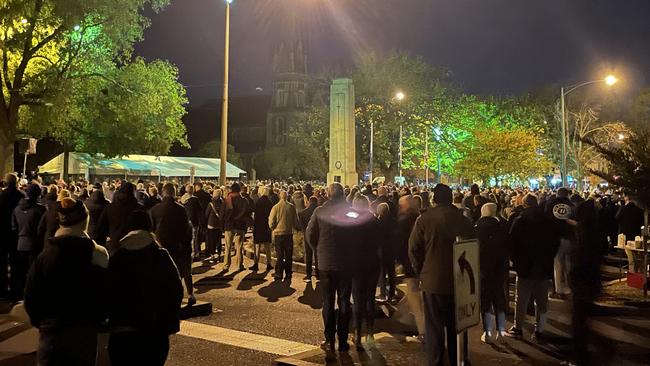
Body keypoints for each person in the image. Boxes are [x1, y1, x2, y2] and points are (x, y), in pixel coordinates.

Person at [24, 198, 109, 366]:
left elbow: (31, 295)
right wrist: (99, 320)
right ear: (85, 221)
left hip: (51, 330)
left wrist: (41, 322)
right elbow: (104, 292)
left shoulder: (45, 256)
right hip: (83, 330)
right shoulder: (98, 254)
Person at [408, 183, 474, 366]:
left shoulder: (425, 220)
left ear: (434, 199)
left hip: (433, 281)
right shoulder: (463, 220)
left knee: (434, 328)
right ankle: (458, 358)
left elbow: (413, 249)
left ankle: (436, 361)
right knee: (458, 326)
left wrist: (421, 270)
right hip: (460, 281)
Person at [107, 210, 183, 366]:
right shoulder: (160, 256)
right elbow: (176, 290)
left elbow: (107, 291)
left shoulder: (118, 257)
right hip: (154, 331)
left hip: (122, 331)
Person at [306, 183, 356, 352]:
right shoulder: (350, 212)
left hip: (326, 263)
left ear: (328, 195)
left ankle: (329, 339)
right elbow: (358, 236)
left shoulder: (320, 211)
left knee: (328, 301)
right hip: (347, 263)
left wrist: (318, 250)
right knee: (344, 301)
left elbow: (310, 235)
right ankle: (342, 340)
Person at [508, 194, 559, 342]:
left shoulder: (520, 221)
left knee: (521, 299)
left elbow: (513, 243)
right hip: (543, 266)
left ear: (524, 205)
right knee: (542, 301)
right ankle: (539, 330)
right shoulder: (548, 221)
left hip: (525, 267)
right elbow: (555, 243)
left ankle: (518, 328)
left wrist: (516, 261)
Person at [150, 183, 196, 306]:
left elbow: (151, 229)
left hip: (161, 245)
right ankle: (187, 295)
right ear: (174, 193)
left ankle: (163, 296)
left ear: (163, 193)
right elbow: (186, 228)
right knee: (181, 272)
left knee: (162, 273)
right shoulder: (181, 209)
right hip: (178, 246)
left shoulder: (155, 210)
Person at [475, 202, 509, 343]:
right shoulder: (503, 226)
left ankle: (487, 331)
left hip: (483, 269)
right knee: (499, 299)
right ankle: (501, 330)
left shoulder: (477, 228)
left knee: (486, 301)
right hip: (500, 268)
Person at [350, 195, 381, 351]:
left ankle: (357, 333)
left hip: (356, 264)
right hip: (372, 263)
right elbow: (380, 242)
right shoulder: (375, 221)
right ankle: (369, 332)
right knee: (370, 298)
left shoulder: (352, 222)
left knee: (358, 298)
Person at [11, 183, 46, 300]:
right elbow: (42, 229)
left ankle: (19, 295)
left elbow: (14, 227)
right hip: (35, 245)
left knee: (20, 271)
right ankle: (31, 297)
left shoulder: (17, 209)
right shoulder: (40, 209)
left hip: (20, 243)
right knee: (33, 273)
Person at [94, 182, 142, 253]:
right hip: (134, 246)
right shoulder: (138, 208)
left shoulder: (110, 207)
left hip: (115, 244)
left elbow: (101, 226)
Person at [546, 187, 575, 299]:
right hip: (568, 237)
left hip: (555, 237)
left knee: (557, 264)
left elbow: (547, 219)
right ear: (567, 195)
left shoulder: (550, 204)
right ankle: (570, 287)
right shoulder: (571, 205)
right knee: (569, 263)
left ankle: (558, 289)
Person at [0, 173, 24, 298]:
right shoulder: (21, 196)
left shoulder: (2, 196)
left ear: (6, 182)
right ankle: (15, 290)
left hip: (3, 232)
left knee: (3, 261)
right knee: (16, 262)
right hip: (16, 233)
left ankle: (2, 289)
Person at [268, 191, 299, 281]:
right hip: (288, 234)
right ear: (287, 197)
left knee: (280, 255)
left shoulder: (275, 207)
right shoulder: (291, 207)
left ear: (279, 197)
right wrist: (296, 228)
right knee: (289, 255)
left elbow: (271, 222)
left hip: (278, 234)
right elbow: (295, 221)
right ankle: (288, 273)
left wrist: (273, 228)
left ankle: (279, 273)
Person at [221, 182, 249, 272]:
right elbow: (247, 213)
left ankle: (226, 265)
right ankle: (239, 265)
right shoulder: (244, 200)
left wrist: (222, 226)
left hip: (229, 226)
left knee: (228, 247)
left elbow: (222, 214)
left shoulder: (227, 200)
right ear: (239, 190)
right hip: (240, 226)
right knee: (239, 247)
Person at [377, 202, 397, 302]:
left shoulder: (378, 222)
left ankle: (383, 293)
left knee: (382, 273)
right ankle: (392, 293)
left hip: (382, 250)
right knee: (391, 272)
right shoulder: (394, 221)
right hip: (391, 249)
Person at [251, 187, 273, 271]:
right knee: (268, 246)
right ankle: (269, 263)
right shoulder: (270, 203)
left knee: (257, 246)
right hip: (267, 226)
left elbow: (255, 215)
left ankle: (256, 263)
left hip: (258, 226)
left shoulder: (258, 202)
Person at [182, 185, 203, 261]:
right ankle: (194, 255)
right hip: (194, 221)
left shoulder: (182, 199)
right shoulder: (195, 200)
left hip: (185, 222)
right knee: (194, 238)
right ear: (193, 190)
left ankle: (187, 253)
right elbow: (200, 211)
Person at [300, 196, 319, 282]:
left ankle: (308, 275)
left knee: (308, 255)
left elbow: (301, 226)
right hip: (318, 236)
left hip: (307, 235)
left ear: (309, 202)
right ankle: (318, 275)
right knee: (317, 255)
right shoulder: (319, 212)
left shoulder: (303, 213)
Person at [205, 188, 224, 262]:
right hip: (219, 225)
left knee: (211, 240)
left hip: (211, 224)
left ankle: (212, 255)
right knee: (218, 240)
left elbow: (206, 214)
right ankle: (219, 254)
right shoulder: (223, 203)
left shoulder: (211, 204)